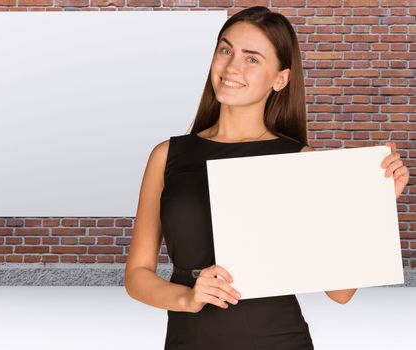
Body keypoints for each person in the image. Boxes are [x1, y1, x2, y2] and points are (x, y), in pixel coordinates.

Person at [124, 5, 410, 349]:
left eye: (252, 59)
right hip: (190, 341)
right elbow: (137, 276)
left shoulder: (300, 162)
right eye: (226, 50)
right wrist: (187, 298)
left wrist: (375, 205)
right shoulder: (167, 156)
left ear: (281, 79)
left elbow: (340, 292)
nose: (232, 67)